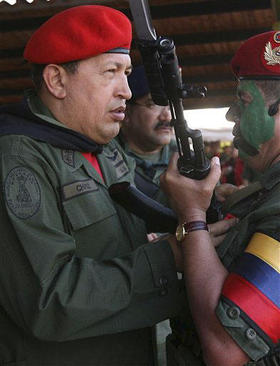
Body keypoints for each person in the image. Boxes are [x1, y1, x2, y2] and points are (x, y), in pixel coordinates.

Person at [0, 5, 235, 366]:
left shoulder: (101, 148)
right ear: (57, 81)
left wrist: (196, 204)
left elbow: (135, 208)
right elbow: (46, 301)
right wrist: (169, 256)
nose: (126, 90)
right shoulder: (17, 159)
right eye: (110, 72)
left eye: (126, 73)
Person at [161, 30, 280, 366]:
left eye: (242, 100)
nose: (230, 115)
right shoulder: (266, 190)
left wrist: (192, 216)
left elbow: (226, 349)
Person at [117, 65, 176, 204]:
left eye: (170, 106)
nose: (167, 116)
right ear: (126, 112)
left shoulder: (185, 158)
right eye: (154, 104)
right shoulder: (104, 158)